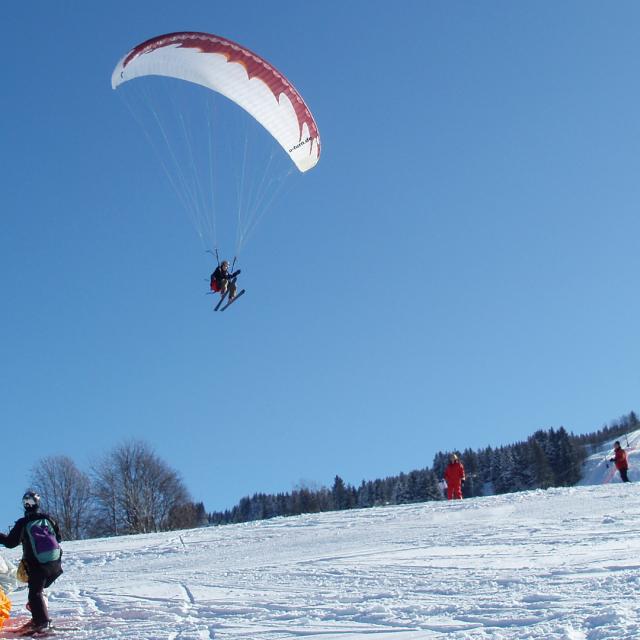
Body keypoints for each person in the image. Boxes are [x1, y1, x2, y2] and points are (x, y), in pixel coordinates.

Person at [0, 491, 63, 634]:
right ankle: (38, 619)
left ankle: (42, 624)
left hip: (37, 565)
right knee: (38, 592)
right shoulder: (48, 519)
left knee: (35, 594)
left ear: (25, 505)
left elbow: (10, 543)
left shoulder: (23, 523)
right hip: (55, 563)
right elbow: (58, 538)